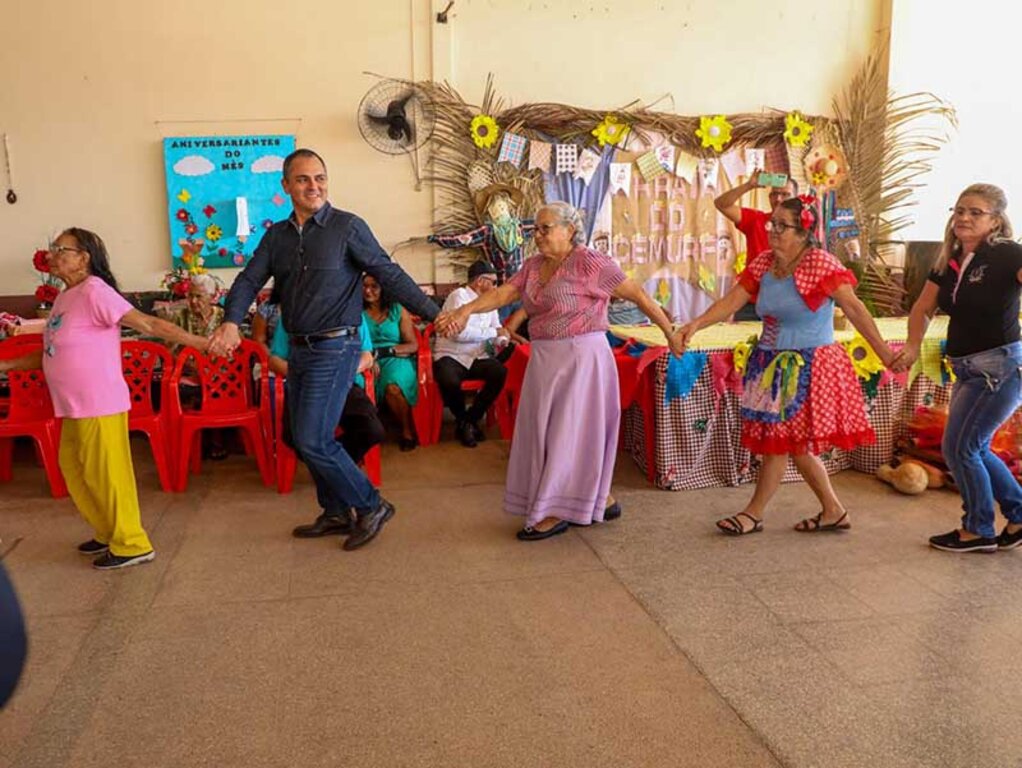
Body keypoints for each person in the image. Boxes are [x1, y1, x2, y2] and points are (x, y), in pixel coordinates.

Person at [207, 148, 438, 551]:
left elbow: (388, 273)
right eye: (302, 179)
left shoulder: (347, 227)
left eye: (320, 178)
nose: (313, 186)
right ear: (285, 187)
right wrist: (230, 321)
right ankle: (334, 511)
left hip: (337, 346)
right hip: (299, 349)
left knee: (313, 438)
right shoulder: (277, 237)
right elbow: (247, 280)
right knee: (299, 436)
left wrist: (435, 313)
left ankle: (370, 504)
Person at [436, 201, 683, 541]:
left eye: (545, 228)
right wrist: (464, 311)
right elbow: (507, 292)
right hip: (546, 358)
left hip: (582, 358)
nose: (537, 235)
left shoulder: (590, 262)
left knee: (568, 434)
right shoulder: (535, 265)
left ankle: (555, 511)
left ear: (569, 230)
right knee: (547, 431)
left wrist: (669, 332)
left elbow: (638, 294)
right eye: (535, 229)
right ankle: (599, 498)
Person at [674, 196, 895, 536]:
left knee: (780, 440)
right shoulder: (764, 263)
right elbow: (731, 301)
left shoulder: (820, 263)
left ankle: (753, 512)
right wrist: (695, 324)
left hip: (809, 365)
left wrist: (883, 353)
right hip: (769, 363)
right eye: (771, 223)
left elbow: (854, 308)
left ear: (804, 231)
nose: (773, 231)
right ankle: (833, 510)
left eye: (782, 225)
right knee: (791, 443)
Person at [0, 228, 210, 569]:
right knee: (76, 469)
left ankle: (132, 543)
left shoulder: (96, 291)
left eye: (60, 248)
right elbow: (51, 351)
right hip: (71, 405)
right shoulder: (65, 297)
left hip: (98, 401)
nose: (53, 253)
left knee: (108, 474)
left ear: (83, 258)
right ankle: (108, 531)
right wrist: (6, 364)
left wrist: (200, 343)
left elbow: (148, 324)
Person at [894, 183, 1022, 553]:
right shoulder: (949, 258)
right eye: (959, 210)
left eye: (976, 212)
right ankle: (1016, 514)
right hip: (966, 368)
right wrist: (914, 346)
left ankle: (979, 528)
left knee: (961, 447)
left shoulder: (1008, 255)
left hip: (997, 368)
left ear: (996, 220)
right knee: (973, 448)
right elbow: (922, 308)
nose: (964, 218)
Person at [268, 316, 386, 538]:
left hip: (346, 384)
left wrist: (339, 376)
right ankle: (337, 511)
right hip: (305, 386)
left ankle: (337, 507)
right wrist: (307, 378)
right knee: (297, 438)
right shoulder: (293, 314)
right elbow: (275, 359)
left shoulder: (351, 312)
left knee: (371, 429)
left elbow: (367, 356)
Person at [433, 260, 509, 448]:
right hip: (451, 354)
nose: (495, 286)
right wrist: (494, 333)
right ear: (480, 281)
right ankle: (461, 418)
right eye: (493, 281)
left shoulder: (490, 301)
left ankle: (469, 420)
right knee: (449, 380)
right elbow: (460, 334)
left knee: (499, 372)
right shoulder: (459, 296)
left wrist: (502, 340)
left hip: (477, 355)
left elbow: (496, 328)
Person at [164, 272, 229, 460]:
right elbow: (169, 350)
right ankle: (196, 440)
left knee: (217, 385)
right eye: (190, 295)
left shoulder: (224, 318)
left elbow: (235, 348)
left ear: (211, 297)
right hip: (189, 370)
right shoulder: (180, 317)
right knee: (189, 389)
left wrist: (213, 367)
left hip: (220, 373)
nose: (193, 301)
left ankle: (215, 438)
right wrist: (190, 363)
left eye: (198, 296)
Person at [362, 274, 420, 451]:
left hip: (397, 356)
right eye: (364, 286)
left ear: (384, 289)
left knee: (393, 385)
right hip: (366, 358)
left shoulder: (397, 310)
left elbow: (413, 345)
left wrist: (387, 351)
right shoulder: (356, 312)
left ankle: (406, 431)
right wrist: (369, 358)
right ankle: (368, 432)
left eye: (374, 286)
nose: (368, 291)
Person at [714, 170, 796, 264]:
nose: (778, 199)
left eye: (785, 194)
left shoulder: (805, 224)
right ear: (769, 197)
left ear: (796, 198)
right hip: (755, 277)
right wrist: (748, 185)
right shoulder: (756, 220)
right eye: (774, 194)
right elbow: (721, 205)